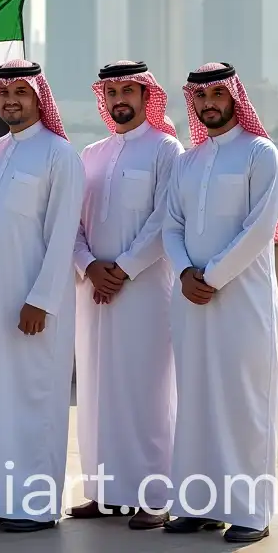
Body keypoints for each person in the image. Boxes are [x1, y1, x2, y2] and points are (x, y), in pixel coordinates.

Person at [161, 62, 278, 544]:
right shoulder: (187, 162)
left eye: (217, 93)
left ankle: (250, 511)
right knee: (195, 401)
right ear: (191, 102)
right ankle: (198, 505)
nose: (208, 103)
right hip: (191, 299)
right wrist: (184, 272)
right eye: (200, 96)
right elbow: (170, 226)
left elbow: (260, 228)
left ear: (234, 97)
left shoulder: (261, 153)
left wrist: (212, 276)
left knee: (244, 402)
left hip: (243, 301)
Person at [0, 59, 84, 533]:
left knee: (33, 399)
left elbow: (62, 234)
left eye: (21, 93)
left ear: (38, 98)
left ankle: (32, 506)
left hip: (32, 305)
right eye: (3, 93)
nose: (11, 101)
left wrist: (42, 300)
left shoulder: (60, 155)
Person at [70, 60, 183, 529]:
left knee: (147, 390)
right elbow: (71, 225)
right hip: (93, 291)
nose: (119, 99)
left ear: (144, 95)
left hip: (145, 291)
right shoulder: (91, 153)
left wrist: (123, 269)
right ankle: (105, 491)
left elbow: (166, 220)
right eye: (111, 90)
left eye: (127, 90)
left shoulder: (166, 150)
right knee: (97, 392)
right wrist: (90, 266)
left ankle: (155, 496)